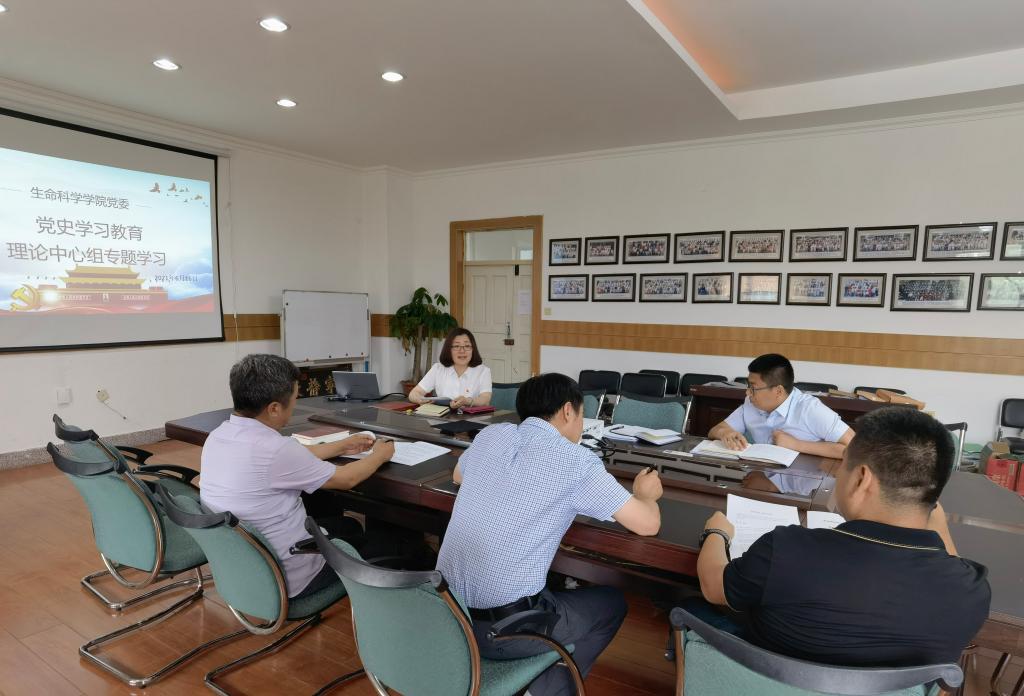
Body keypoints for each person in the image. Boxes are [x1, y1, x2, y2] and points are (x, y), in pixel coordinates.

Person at [693, 407, 990, 667]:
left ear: (861, 479)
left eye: (842, 465)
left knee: (690, 606)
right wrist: (934, 517)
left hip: (767, 685)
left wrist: (717, 532)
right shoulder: (970, 592)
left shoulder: (786, 549)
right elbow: (954, 567)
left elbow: (713, 586)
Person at [436, 373, 663, 696]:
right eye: (582, 415)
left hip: (447, 617)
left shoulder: (492, 435)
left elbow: (459, 475)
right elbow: (647, 524)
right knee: (611, 604)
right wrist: (646, 495)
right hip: (502, 632)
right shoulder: (577, 461)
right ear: (568, 411)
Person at [200, 353, 395, 599]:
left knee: (349, 526)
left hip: (242, 569)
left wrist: (342, 446)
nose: (294, 405)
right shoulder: (276, 450)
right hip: (290, 576)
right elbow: (346, 479)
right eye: (294, 399)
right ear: (274, 409)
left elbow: (290, 457)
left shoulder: (218, 435)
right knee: (393, 545)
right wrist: (380, 455)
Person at [708, 353, 853, 459]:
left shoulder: (810, 409)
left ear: (778, 391)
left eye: (753, 388)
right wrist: (725, 433)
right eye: (748, 386)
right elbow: (715, 430)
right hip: (760, 476)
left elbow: (855, 449)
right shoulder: (751, 403)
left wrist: (797, 445)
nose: (747, 393)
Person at [408, 327, 492, 409]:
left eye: (467, 346)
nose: (462, 351)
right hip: (442, 416)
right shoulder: (438, 369)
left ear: (473, 349)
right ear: (449, 349)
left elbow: (485, 399)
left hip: (472, 417)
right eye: (456, 346)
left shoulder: (483, 371)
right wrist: (420, 400)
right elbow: (414, 393)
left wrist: (467, 401)